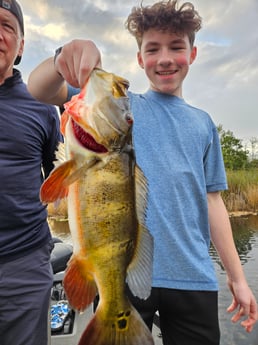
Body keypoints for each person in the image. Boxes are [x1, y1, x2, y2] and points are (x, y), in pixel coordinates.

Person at [27, 1, 258, 344]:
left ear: (192, 54)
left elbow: (213, 202)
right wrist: (65, 57)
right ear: (140, 59)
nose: (165, 58)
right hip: (123, 274)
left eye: (176, 47)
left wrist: (237, 278)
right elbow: (39, 89)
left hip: (193, 276)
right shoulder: (121, 106)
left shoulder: (205, 124)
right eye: (153, 49)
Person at [0, 1, 62, 344]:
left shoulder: (42, 106)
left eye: (8, 26)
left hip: (24, 264)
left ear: (21, 44)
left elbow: (62, 179)